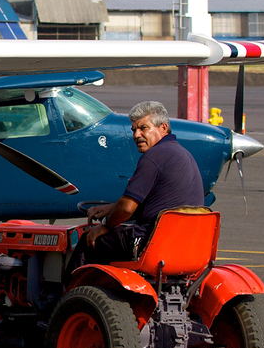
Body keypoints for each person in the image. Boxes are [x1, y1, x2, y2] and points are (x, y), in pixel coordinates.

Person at [65, 101, 205, 280]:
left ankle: (63, 301)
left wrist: (105, 226)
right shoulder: (183, 154)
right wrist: (111, 207)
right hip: (185, 243)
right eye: (133, 130)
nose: (137, 135)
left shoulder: (154, 156)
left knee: (88, 240)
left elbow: (126, 209)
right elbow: (154, 202)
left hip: (152, 242)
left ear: (163, 128)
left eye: (143, 128)